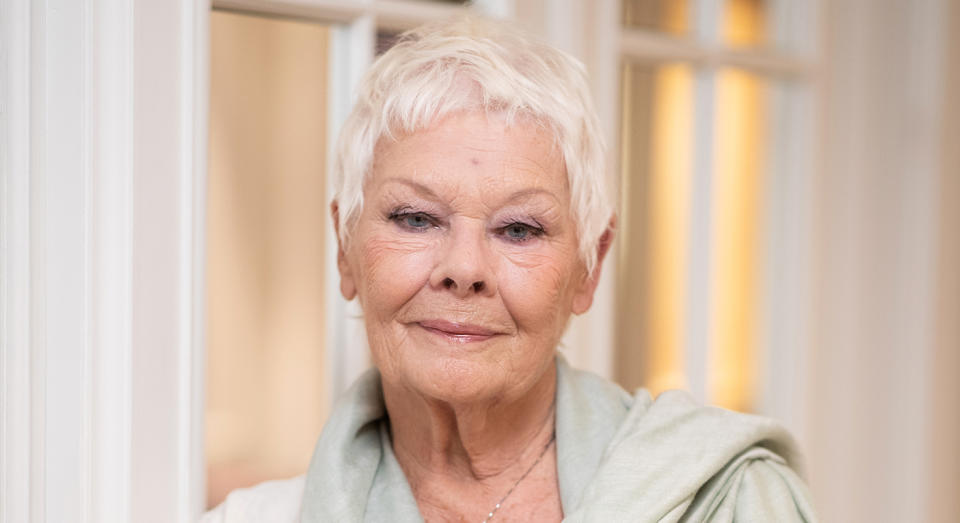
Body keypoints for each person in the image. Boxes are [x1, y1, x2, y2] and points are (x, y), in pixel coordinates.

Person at [203, 16, 816, 523]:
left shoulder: (733, 500)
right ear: (345, 249)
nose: (463, 269)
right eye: (416, 218)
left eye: (519, 229)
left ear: (588, 268)